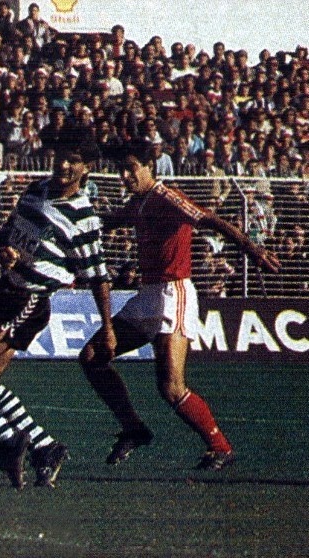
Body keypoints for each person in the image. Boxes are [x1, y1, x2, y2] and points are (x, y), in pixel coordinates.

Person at [79, 139, 281, 471]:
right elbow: (106, 222)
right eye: (121, 170)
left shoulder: (166, 197)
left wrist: (252, 248)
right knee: (92, 356)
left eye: (130, 169)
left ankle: (220, 447)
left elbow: (210, 219)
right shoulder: (139, 203)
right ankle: (134, 429)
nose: (124, 176)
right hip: (147, 296)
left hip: (174, 295)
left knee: (171, 387)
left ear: (150, 167)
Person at [0, 129, 116, 489]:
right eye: (61, 157)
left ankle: (8, 442)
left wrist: (108, 329)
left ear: (86, 168)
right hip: (5, 291)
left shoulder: (83, 217)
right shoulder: (36, 190)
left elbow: (98, 277)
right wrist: (4, 250)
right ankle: (45, 448)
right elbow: (7, 232)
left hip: (27, 301)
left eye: (74, 160)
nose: (64, 165)